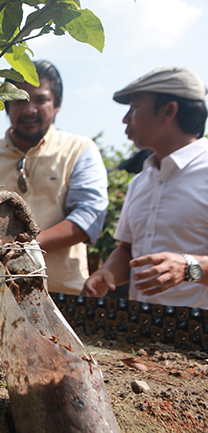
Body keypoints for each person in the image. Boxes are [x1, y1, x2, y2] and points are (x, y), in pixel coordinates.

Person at [0, 60, 109, 295]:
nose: (29, 109)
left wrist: (22, 248)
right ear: (5, 105)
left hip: (59, 293)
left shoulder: (78, 150)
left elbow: (89, 217)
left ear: (57, 104)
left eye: (41, 100)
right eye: (19, 100)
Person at [82, 66, 208, 309]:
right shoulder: (141, 181)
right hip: (143, 332)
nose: (125, 119)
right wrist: (107, 272)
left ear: (168, 110)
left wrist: (190, 267)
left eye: (135, 107)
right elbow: (128, 250)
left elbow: (187, 267)